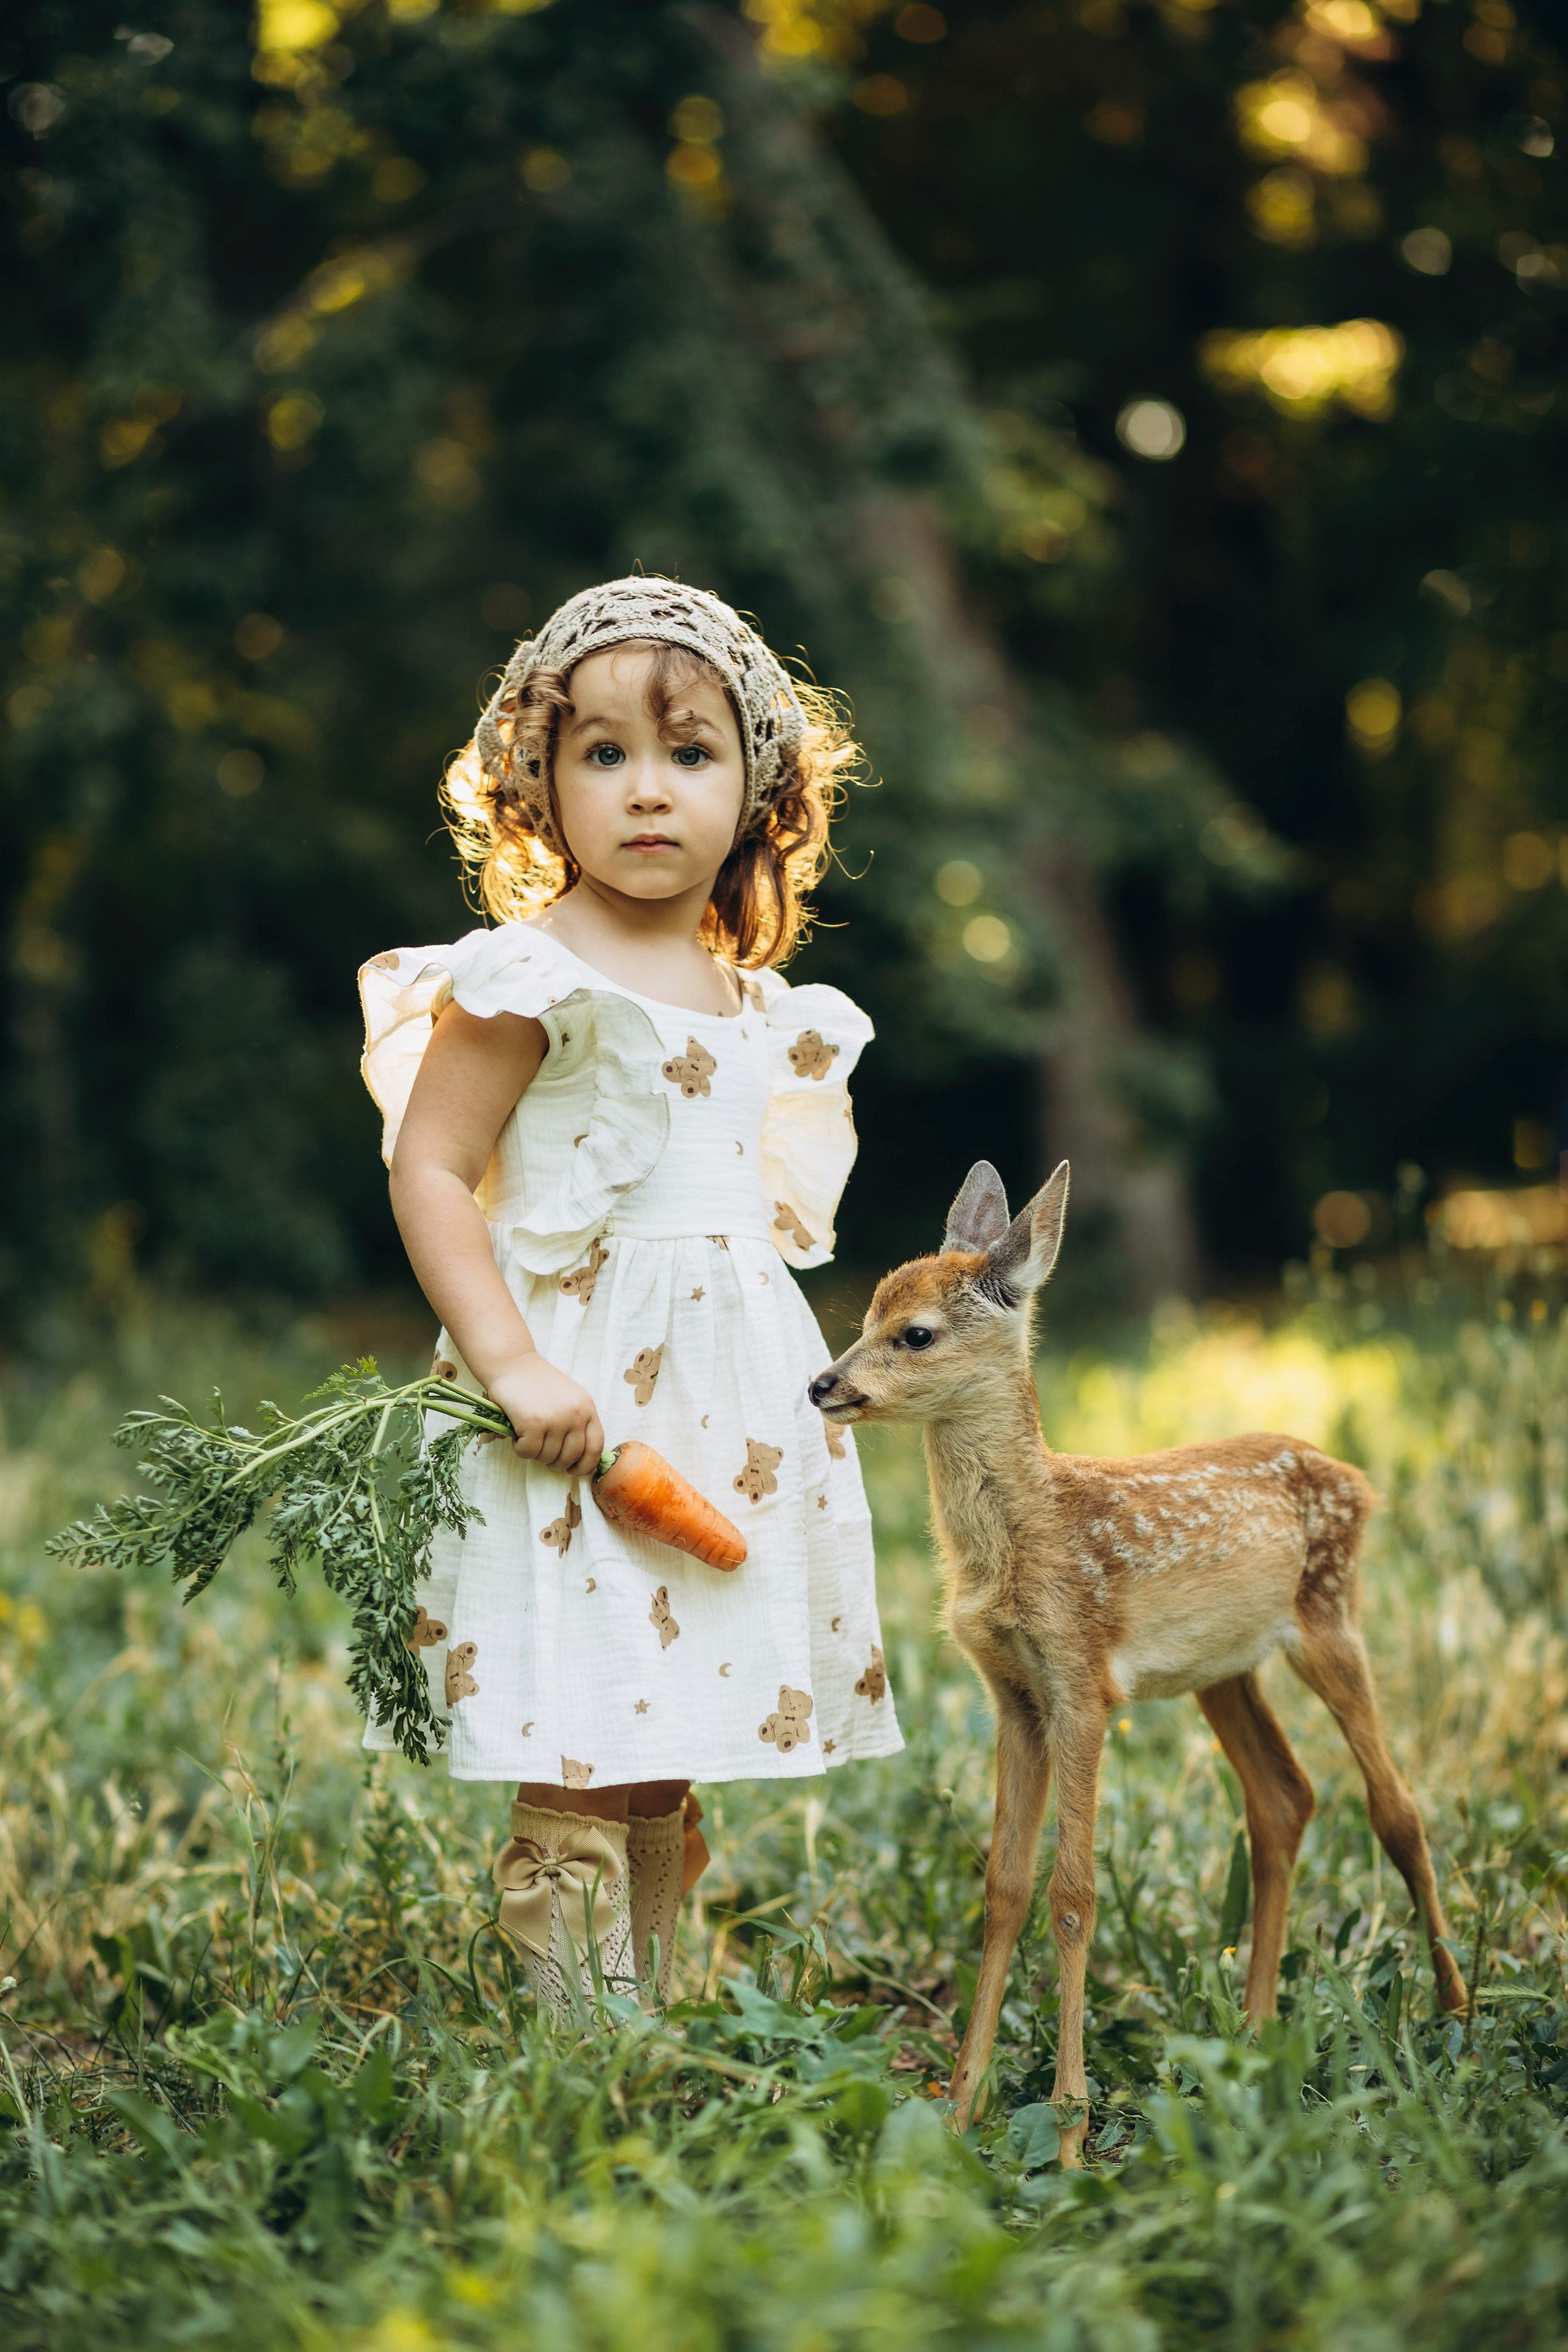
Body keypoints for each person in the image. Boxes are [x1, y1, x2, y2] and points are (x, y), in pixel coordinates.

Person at [358, 578, 902, 2020]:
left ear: (760, 786)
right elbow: (432, 1169)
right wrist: (509, 1362)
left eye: (687, 752)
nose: (645, 791)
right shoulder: (530, 977)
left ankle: (639, 1994)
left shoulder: (757, 1001)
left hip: (720, 1406)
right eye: (601, 755)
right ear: (538, 785)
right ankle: (576, 2035)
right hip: (577, 1385)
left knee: (669, 1702)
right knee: (583, 1694)